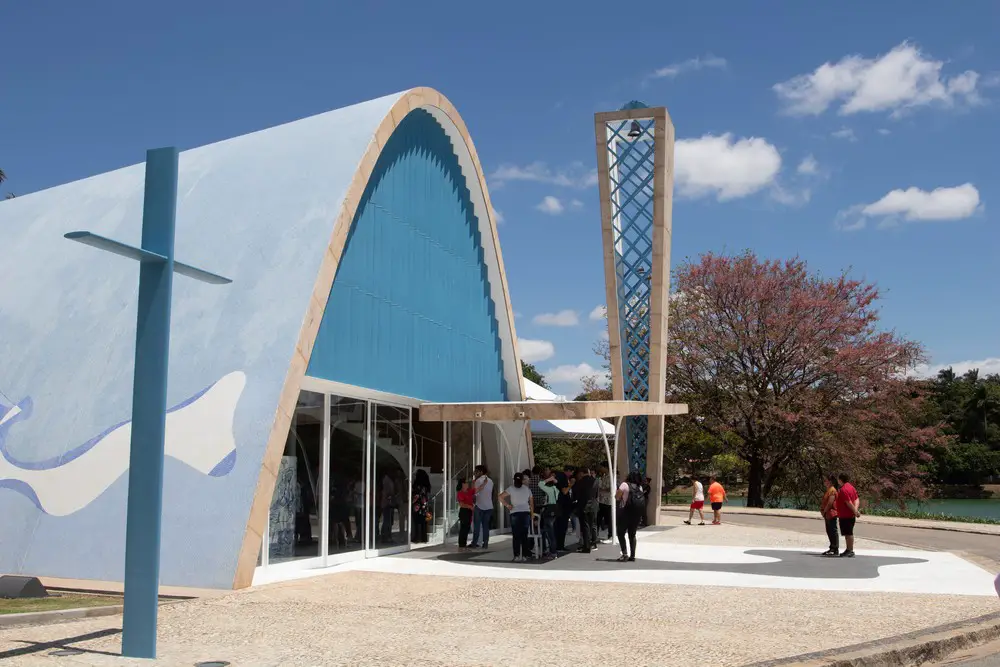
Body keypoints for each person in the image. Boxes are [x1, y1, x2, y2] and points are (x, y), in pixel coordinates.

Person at [499, 472, 535, 562]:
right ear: (522, 480)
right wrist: (532, 514)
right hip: (525, 513)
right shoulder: (527, 489)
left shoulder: (511, 488)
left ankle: (516, 555)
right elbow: (531, 503)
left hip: (515, 513)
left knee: (516, 535)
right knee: (524, 535)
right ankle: (525, 555)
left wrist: (507, 505)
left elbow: (500, 496)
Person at [615, 471, 645, 562]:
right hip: (636, 514)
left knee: (621, 533)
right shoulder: (640, 487)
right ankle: (633, 555)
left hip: (624, 513)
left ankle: (624, 554)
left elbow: (617, 497)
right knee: (632, 535)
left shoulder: (624, 485)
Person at [469, 465, 494, 549]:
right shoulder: (491, 481)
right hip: (489, 506)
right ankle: (485, 543)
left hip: (479, 506)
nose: (474, 473)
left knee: (477, 526)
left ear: (480, 472)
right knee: (486, 526)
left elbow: (474, 494)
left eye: (476, 471)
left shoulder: (478, 481)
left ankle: (474, 543)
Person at [836, 473, 861, 558]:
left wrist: (855, 511)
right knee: (847, 533)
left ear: (840, 480)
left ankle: (850, 550)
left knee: (849, 533)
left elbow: (848, 502)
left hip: (846, 515)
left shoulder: (843, 489)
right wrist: (856, 510)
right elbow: (857, 499)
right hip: (849, 515)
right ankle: (848, 549)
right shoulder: (851, 487)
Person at [573, 468, 598, 553]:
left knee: (585, 527)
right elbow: (596, 494)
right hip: (593, 505)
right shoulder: (595, 481)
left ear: (581, 473)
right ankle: (593, 542)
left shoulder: (580, 482)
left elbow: (576, 495)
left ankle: (586, 546)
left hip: (583, 506)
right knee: (592, 525)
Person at [538, 470, 560, 559]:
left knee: (550, 533)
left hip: (549, 510)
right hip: (556, 510)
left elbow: (540, 484)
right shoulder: (556, 489)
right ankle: (554, 551)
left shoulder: (549, 489)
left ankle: (553, 552)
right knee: (553, 532)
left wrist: (548, 479)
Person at [820, 474, 840, 556]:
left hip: (831, 513)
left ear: (830, 481)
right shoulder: (829, 490)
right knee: (829, 530)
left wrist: (824, 511)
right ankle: (832, 547)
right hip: (827, 514)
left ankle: (835, 548)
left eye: (826, 481)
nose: (825, 482)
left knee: (832, 531)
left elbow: (830, 502)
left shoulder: (832, 490)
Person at [411, 469, 432, 543]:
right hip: (424, 507)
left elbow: (415, 495)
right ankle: (424, 538)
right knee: (424, 523)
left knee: (416, 523)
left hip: (417, 506)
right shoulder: (427, 486)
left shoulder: (417, 486)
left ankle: (416, 538)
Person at [456, 478, 475, 549]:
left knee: (467, 528)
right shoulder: (460, 493)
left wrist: (483, 483)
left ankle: (464, 543)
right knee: (463, 528)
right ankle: (461, 544)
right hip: (464, 511)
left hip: (469, 511)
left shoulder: (469, 491)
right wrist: (469, 506)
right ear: (463, 484)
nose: (467, 484)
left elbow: (476, 489)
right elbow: (461, 504)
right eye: (466, 483)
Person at [597, 464, 614, 542]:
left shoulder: (611, 476)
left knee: (610, 519)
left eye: (602, 467)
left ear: (606, 467)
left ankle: (611, 535)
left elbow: (610, 488)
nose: (601, 469)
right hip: (602, 501)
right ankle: (594, 535)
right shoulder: (603, 476)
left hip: (609, 501)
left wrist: (601, 490)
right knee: (598, 518)